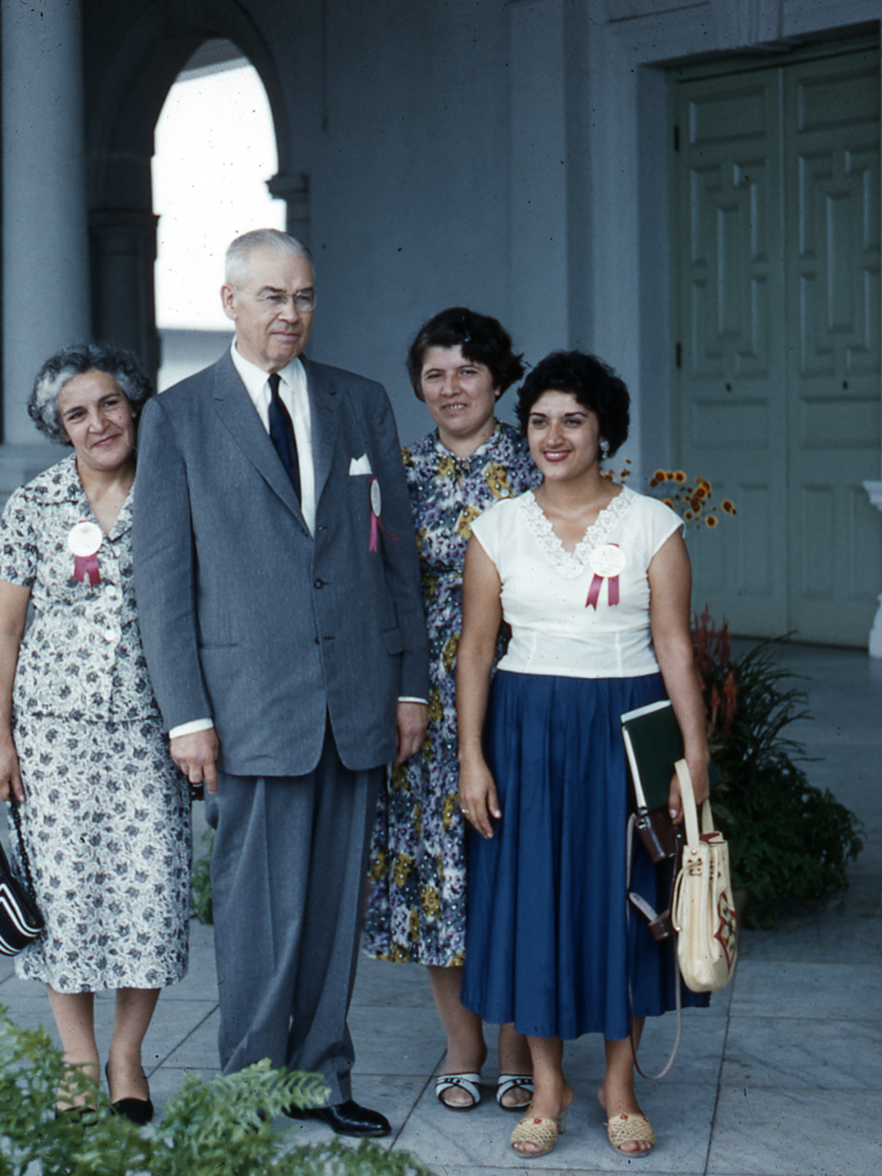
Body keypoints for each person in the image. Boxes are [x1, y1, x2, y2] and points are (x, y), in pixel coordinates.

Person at [134, 229, 428, 1139]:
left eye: (303, 297)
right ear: (230, 302)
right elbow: (162, 584)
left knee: (335, 906)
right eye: (272, 297)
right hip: (247, 703)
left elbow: (396, 557)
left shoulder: (360, 401)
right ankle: (247, 1088)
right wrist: (186, 715)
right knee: (258, 908)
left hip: (355, 694)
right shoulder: (178, 417)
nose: (291, 314)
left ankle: (323, 1077)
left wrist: (410, 687)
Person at [456, 350, 711, 1160]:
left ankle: (619, 1084)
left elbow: (674, 645)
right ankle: (548, 1085)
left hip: (628, 727)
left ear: (605, 430)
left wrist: (694, 754)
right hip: (526, 730)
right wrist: (471, 757)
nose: (554, 436)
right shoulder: (496, 528)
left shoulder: (652, 524)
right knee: (537, 902)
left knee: (627, 901)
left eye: (573, 420)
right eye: (539, 421)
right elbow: (475, 651)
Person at [0, 342, 189, 1126]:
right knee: (64, 900)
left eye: (109, 404)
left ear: (134, 406)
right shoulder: (34, 505)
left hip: (150, 735)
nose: (98, 423)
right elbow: (4, 636)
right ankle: (77, 1061)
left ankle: (126, 1058)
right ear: (58, 428)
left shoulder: (173, 493)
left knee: (150, 896)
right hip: (52, 740)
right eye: (77, 414)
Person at [361, 307, 539, 1113]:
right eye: (434, 374)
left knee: (516, 866)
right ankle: (463, 1046)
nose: (451, 387)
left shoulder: (534, 464)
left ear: (498, 380)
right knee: (439, 870)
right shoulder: (396, 475)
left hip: (523, 683)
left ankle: (519, 1045)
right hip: (424, 701)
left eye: (468, 370)